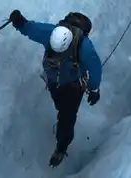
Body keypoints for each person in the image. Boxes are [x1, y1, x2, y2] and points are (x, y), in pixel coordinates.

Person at [8, 9, 102, 168]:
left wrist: (94, 89)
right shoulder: (51, 33)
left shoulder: (84, 47)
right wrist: (20, 22)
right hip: (54, 81)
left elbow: (95, 68)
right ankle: (62, 116)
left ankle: (61, 147)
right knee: (61, 107)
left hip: (73, 85)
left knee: (67, 117)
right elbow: (32, 29)